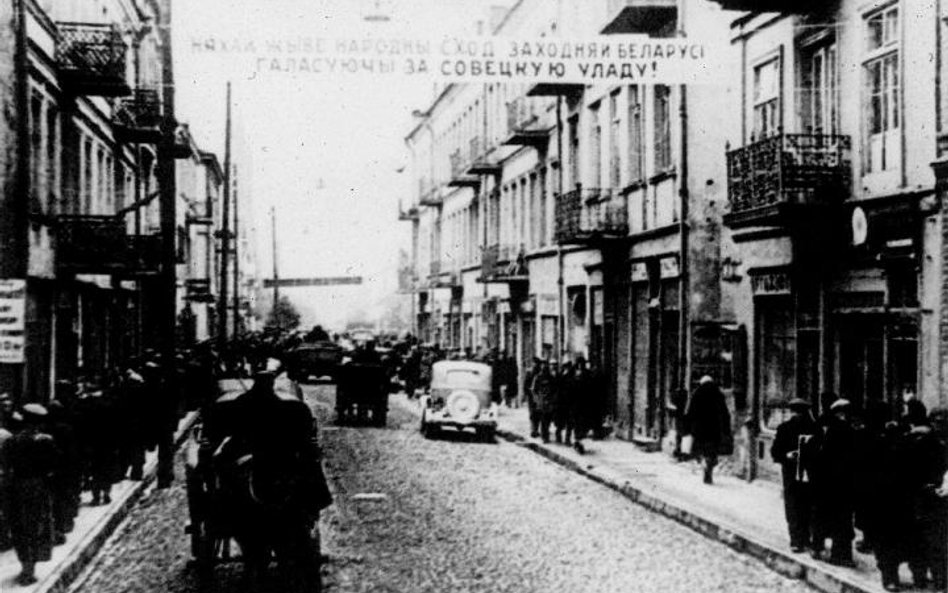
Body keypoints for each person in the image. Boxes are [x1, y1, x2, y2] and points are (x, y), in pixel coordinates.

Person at [7, 404, 60, 585]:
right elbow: (54, 466)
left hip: (16, 487)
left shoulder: (12, 441)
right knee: (37, 525)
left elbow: (7, 465)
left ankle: (25, 567)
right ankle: (30, 570)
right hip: (38, 486)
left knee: (19, 527)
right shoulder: (46, 440)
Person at [901, 400, 947, 590]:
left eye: (944, 422)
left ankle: (941, 579)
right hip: (923, 499)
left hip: (943, 501)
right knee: (919, 540)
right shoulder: (922, 443)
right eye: (937, 422)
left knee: (940, 542)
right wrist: (925, 487)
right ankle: (919, 575)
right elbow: (911, 472)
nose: (940, 426)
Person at [812, 398, 858, 566]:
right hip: (835, 482)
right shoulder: (840, 430)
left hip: (833, 482)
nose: (845, 416)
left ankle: (825, 550)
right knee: (838, 519)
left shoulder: (828, 428)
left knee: (830, 517)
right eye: (843, 412)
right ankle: (835, 553)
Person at [771, 398, 818, 553]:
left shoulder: (814, 428)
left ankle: (806, 539)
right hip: (791, 472)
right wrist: (787, 456)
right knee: (793, 506)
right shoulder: (784, 429)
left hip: (810, 472)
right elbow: (776, 452)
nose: (798, 415)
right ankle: (796, 540)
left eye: (801, 412)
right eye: (796, 411)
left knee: (808, 506)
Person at [685, 375, 732, 485]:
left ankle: (705, 463)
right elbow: (725, 413)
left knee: (703, 449)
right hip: (714, 428)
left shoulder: (696, 393)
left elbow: (690, 413)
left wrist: (688, 428)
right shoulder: (718, 394)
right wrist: (726, 428)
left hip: (700, 429)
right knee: (713, 451)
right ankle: (709, 466)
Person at [530, 361, 556, 444]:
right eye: (543, 365)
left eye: (546, 365)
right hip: (541, 402)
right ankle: (545, 436)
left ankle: (545, 434)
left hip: (549, 401)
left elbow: (554, 390)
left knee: (548, 419)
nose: (544, 367)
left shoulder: (551, 378)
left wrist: (552, 399)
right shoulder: (537, 377)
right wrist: (537, 400)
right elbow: (533, 390)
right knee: (543, 419)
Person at [524, 358, 542, 438]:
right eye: (534, 363)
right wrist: (527, 393)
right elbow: (526, 384)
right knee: (532, 413)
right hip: (531, 396)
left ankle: (536, 429)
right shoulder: (529, 372)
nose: (535, 365)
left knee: (537, 413)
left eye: (536, 363)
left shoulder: (540, 373)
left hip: (538, 396)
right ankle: (533, 430)